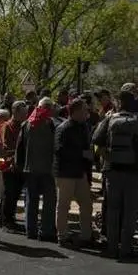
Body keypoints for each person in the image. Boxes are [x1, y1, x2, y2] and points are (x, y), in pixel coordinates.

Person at [92, 90, 138, 260]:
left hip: (113, 170)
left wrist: (107, 157)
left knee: (113, 210)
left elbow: (96, 140)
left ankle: (112, 247)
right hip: (134, 171)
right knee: (130, 211)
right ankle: (126, 248)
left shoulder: (110, 118)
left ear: (118, 102)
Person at [54, 98, 95, 247]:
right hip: (65, 172)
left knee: (86, 204)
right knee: (64, 205)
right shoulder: (63, 128)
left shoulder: (83, 127)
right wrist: (82, 154)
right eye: (85, 110)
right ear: (76, 112)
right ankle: (63, 236)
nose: (87, 113)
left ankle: (86, 235)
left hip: (80, 172)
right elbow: (60, 150)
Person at [16, 97, 57, 241]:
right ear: (49, 108)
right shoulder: (51, 124)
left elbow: (19, 148)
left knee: (31, 200)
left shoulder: (27, 124)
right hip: (47, 169)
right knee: (49, 201)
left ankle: (31, 230)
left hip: (30, 168)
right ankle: (46, 230)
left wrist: (20, 166)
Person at [0, 100, 28, 233]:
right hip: (9, 166)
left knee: (15, 194)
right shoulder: (7, 126)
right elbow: (6, 148)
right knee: (9, 194)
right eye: (23, 113)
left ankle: (11, 219)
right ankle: (6, 221)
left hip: (20, 166)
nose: (25, 116)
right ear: (15, 112)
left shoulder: (23, 126)